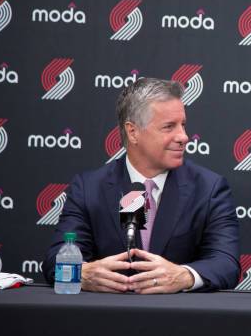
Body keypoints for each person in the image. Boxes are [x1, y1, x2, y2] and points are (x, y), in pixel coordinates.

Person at [44, 78, 240, 293]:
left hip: (179, 320)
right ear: (133, 132)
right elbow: (56, 260)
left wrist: (183, 276)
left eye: (183, 125)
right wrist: (82, 272)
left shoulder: (209, 188)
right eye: (169, 127)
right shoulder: (89, 188)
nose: (183, 137)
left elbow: (225, 262)